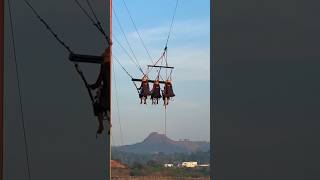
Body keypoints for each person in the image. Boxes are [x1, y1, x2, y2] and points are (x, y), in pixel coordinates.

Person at [90, 41, 112, 135]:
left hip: (106, 92)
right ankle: (108, 126)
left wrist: (93, 86)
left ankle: (101, 125)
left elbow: (99, 81)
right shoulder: (108, 66)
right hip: (110, 92)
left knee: (98, 106)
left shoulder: (104, 66)